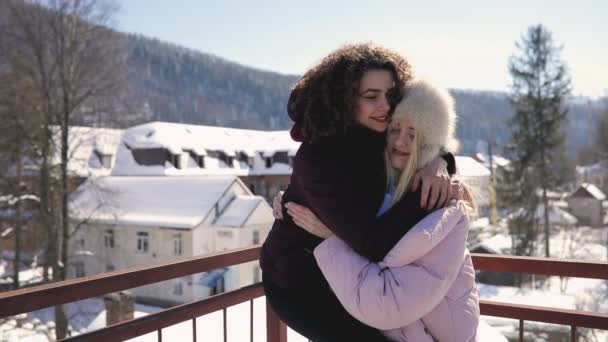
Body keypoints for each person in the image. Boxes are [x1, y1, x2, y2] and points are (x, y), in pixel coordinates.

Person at [260, 43, 459, 341]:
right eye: (371, 97)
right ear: (345, 99)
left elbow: (420, 138)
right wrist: (424, 196)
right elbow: (374, 243)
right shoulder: (320, 158)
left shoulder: (376, 133)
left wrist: (439, 163)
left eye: (390, 95)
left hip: (352, 275)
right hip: (301, 283)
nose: (385, 106)